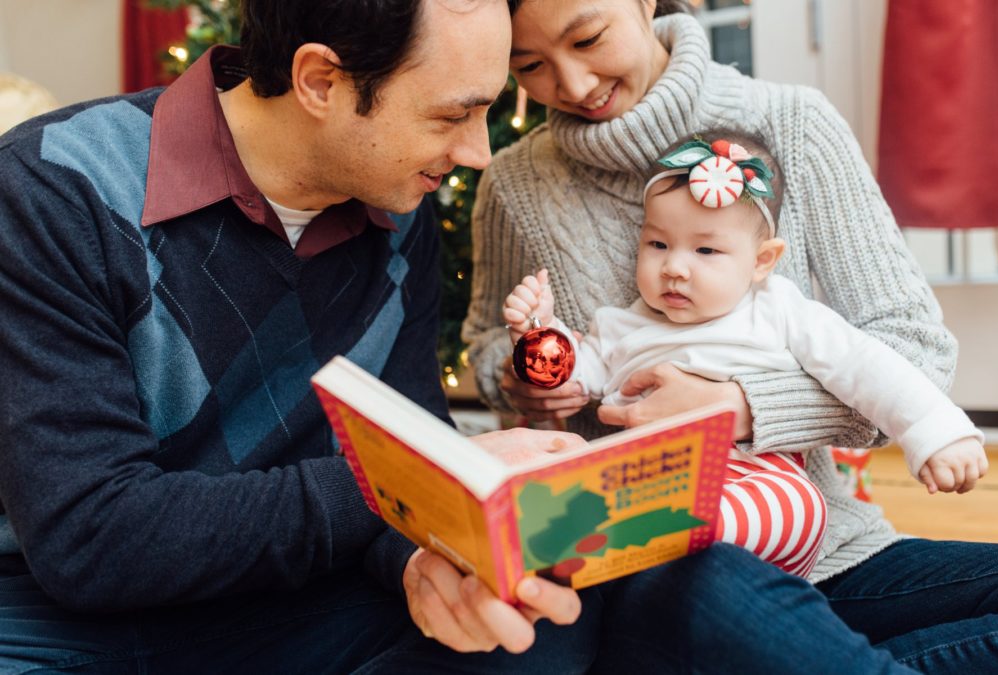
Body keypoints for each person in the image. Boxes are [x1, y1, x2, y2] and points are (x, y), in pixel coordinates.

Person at [463, 0, 998, 670]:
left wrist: (740, 407)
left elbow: (912, 350)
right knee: (712, 576)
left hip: (823, 547)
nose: (574, 85)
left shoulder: (794, 125)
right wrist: (532, 377)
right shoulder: (515, 184)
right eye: (530, 66)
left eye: (589, 38)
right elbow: (494, 345)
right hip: (642, 563)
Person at [0, 1, 601, 671]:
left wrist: (422, 564)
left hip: (303, 602)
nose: (478, 153)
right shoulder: (53, 188)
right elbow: (92, 538)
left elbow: (398, 445)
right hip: (67, 623)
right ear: (319, 80)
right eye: (451, 115)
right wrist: (419, 478)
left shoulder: (403, 215)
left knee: (543, 623)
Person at [503, 133, 987, 579]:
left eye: (706, 250)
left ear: (761, 261)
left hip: (750, 476)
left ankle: (653, 537)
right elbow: (570, 378)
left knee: (800, 504)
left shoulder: (780, 310)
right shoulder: (620, 324)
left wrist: (936, 432)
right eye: (657, 244)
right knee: (561, 463)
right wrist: (539, 331)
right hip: (641, 480)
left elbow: (864, 366)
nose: (673, 267)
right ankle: (589, 539)